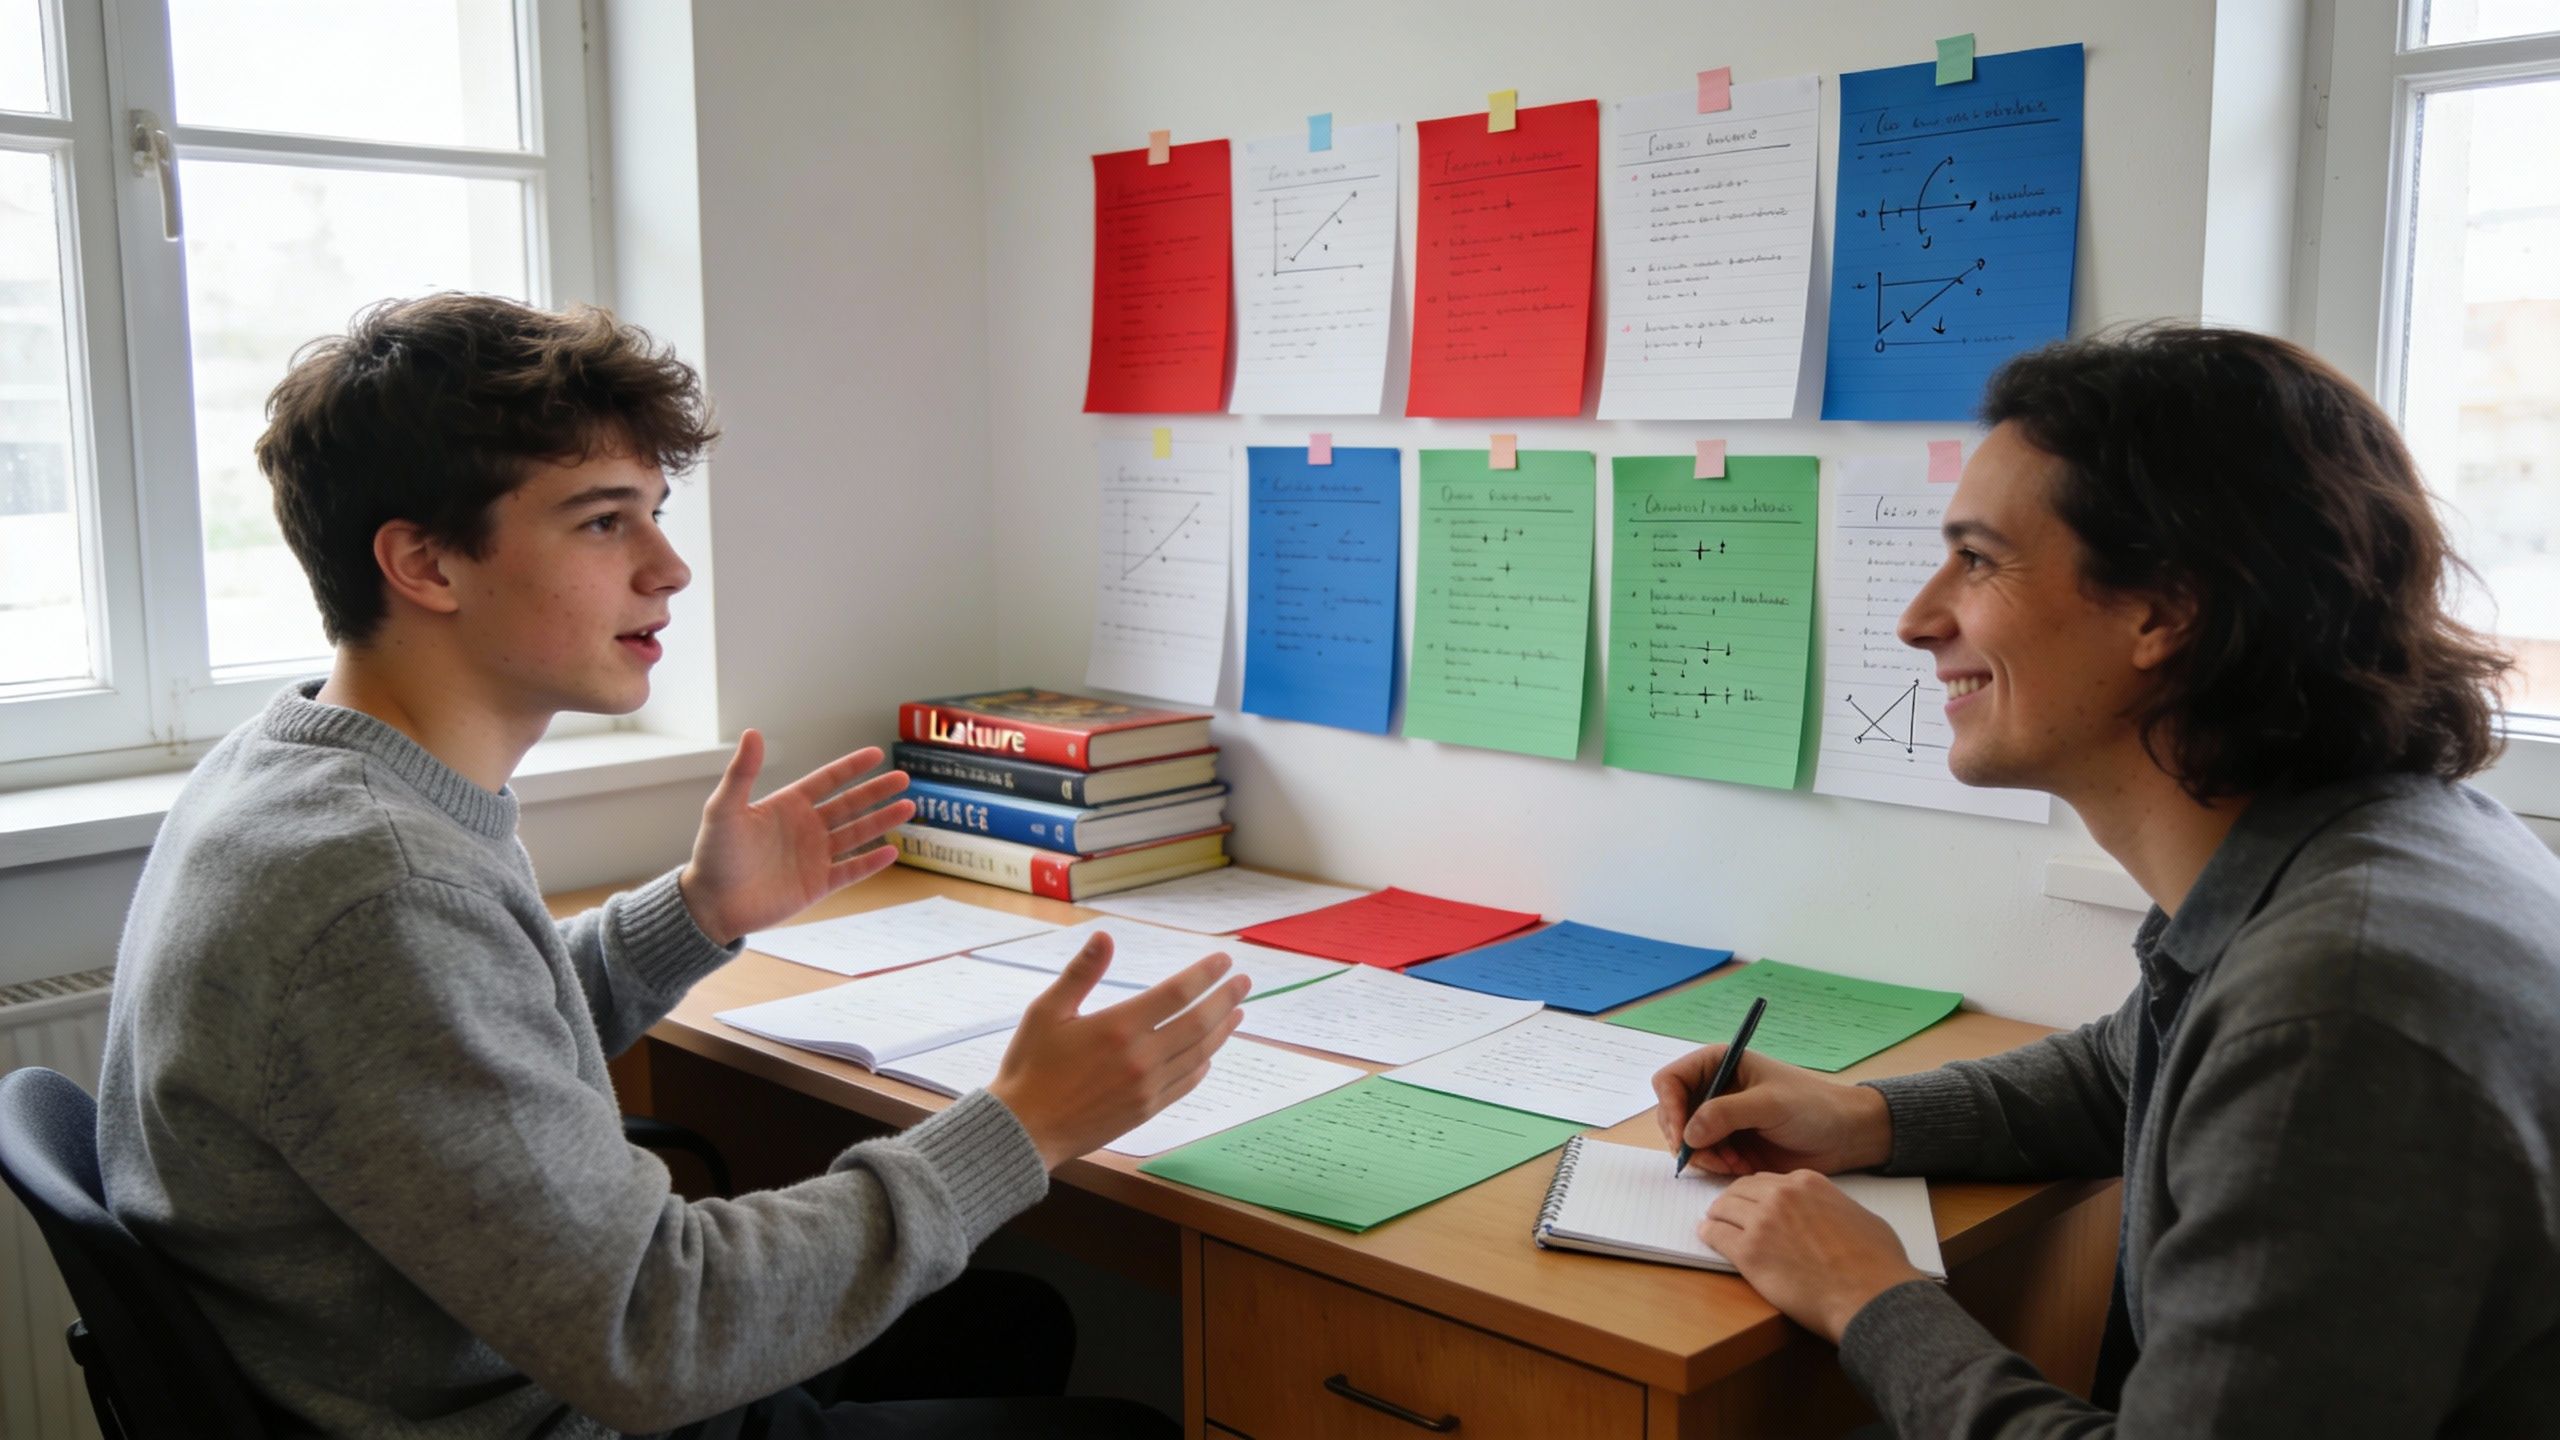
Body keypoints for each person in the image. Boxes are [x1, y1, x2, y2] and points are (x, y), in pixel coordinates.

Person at [97, 292, 1243, 1438]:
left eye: (653, 513)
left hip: (473, 1364)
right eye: (605, 522)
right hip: (568, 1406)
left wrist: (697, 912)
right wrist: (1023, 1125)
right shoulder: (384, 886)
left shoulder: (296, 767)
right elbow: (659, 1333)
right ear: (426, 563)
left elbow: (470, 1033)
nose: (671, 568)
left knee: (1009, 1321)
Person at [1651, 325, 2560, 1435]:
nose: (1917, 619)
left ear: (2165, 610)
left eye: (1977, 560)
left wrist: (1867, 1296)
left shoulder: (2334, 1009)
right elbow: (2125, 1072)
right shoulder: (2361, 840)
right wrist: (1859, 1117)